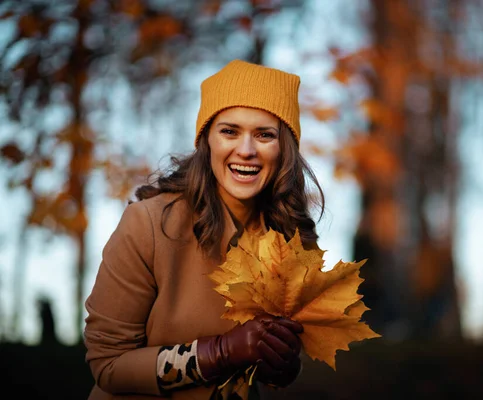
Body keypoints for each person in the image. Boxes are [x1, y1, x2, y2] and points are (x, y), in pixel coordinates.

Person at [83, 59, 325, 400]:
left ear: (284, 148)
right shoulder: (149, 224)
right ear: (206, 140)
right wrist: (220, 352)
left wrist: (281, 365)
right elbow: (107, 365)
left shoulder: (290, 239)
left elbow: (272, 372)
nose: (246, 150)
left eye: (265, 135)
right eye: (229, 131)